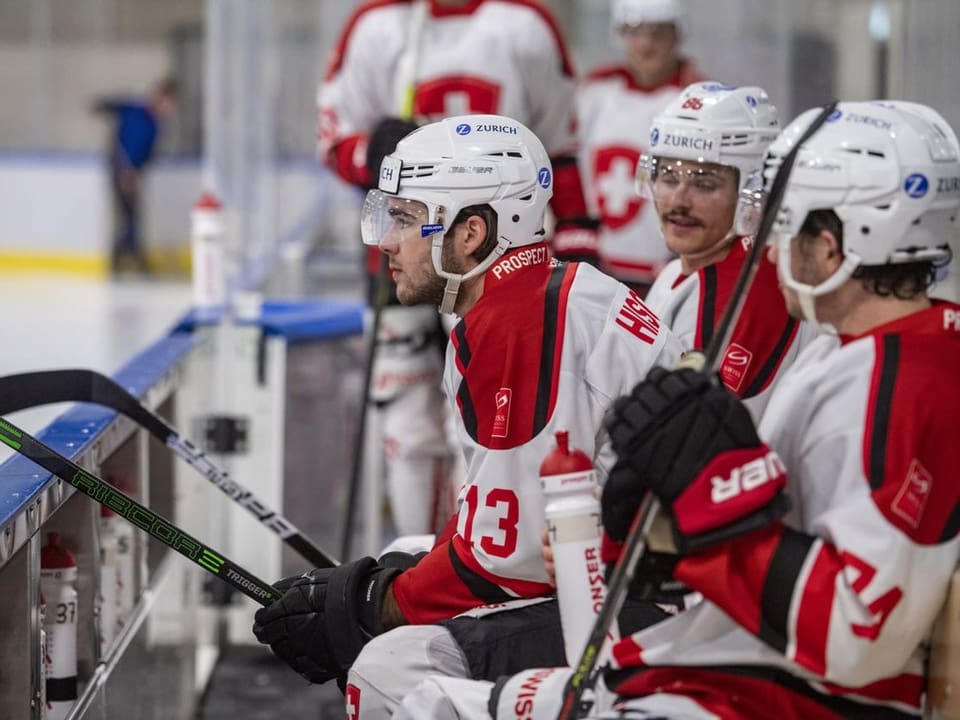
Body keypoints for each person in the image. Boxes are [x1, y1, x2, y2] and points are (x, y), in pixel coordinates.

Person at [395, 100, 960, 720]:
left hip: (784, 692)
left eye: (779, 228)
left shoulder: (897, 383)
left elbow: (851, 641)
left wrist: (703, 517)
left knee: (417, 696)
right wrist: (642, 544)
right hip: (741, 657)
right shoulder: (871, 354)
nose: (765, 252)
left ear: (832, 247)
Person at [252, 114, 684, 717]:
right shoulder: (541, 293)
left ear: (472, 232)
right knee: (409, 551)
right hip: (636, 582)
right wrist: (391, 584)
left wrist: (372, 606)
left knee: (387, 671)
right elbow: (502, 524)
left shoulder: (515, 327)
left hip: (652, 613)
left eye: (405, 219)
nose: (384, 241)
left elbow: (513, 558)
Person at [318, 0, 601, 537]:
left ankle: (471, 553)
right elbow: (334, 141)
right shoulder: (377, 26)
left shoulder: (525, 25)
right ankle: (412, 559)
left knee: (478, 415)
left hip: (490, 253)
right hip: (397, 253)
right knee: (405, 424)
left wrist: (580, 247)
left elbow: (560, 151)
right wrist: (372, 151)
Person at [639, 81, 817, 419]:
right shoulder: (678, 271)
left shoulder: (746, 288)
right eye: (668, 177)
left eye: (705, 183)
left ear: (751, 191)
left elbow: (692, 442)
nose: (678, 200)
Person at [578, 0, 702, 295]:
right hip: (596, 269)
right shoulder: (595, 93)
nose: (646, 44)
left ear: (676, 35)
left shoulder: (695, 99)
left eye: (658, 33)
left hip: (667, 275)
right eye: (636, 32)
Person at [92, 77, 177, 275]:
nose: (170, 108)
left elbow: (147, 154)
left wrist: (136, 173)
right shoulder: (137, 110)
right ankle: (130, 262)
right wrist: (125, 171)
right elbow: (112, 106)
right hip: (121, 172)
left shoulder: (155, 124)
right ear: (160, 96)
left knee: (132, 217)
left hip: (134, 175)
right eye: (169, 102)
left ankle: (127, 261)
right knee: (128, 217)